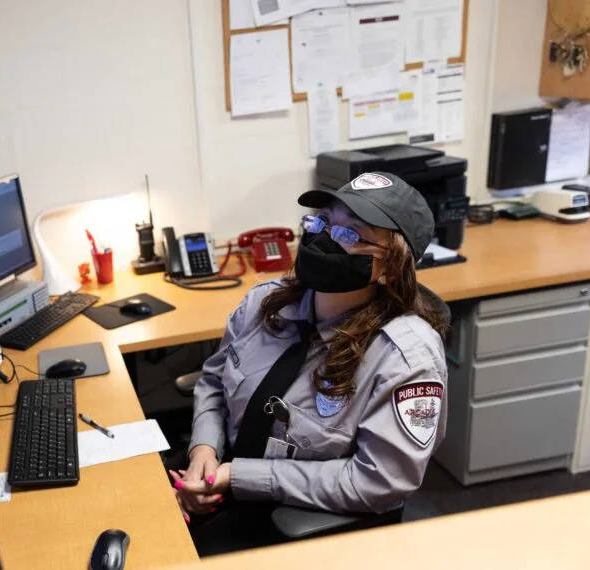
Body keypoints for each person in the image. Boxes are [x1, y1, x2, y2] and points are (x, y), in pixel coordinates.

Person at [170, 172, 450, 557]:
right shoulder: (263, 304)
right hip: (216, 483)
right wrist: (204, 451)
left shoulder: (405, 358)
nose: (324, 239)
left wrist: (237, 477)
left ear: (390, 267)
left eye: (351, 234)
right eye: (323, 222)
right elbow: (214, 381)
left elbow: (378, 482)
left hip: (294, 523)